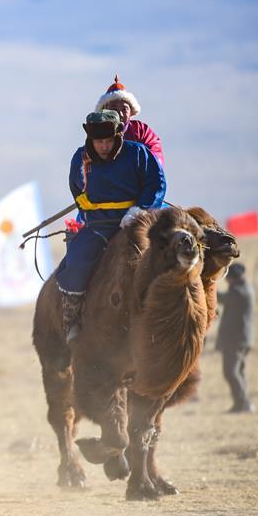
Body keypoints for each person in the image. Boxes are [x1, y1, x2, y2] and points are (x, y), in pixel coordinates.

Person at [57, 110, 166, 342]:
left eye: (108, 141)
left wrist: (139, 211)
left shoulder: (138, 154)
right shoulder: (81, 157)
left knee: (164, 258)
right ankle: (72, 319)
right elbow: (77, 189)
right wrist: (89, 210)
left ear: (117, 136)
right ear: (91, 140)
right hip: (98, 225)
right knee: (77, 261)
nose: (104, 146)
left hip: (133, 223)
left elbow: (155, 184)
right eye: (99, 142)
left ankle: (169, 316)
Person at [95, 74, 164, 167]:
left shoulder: (141, 130)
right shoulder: (95, 132)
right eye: (114, 108)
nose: (120, 113)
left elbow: (155, 158)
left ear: (131, 112)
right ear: (104, 109)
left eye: (124, 109)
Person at [215, 263, 255, 413]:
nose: (227, 281)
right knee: (239, 372)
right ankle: (244, 403)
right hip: (241, 339)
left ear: (234, 278)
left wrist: (209, 286)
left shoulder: (239, 292)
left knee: (231, 372)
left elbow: (221, 298)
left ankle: (243, 403)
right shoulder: (243, 288)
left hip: (236, 340)